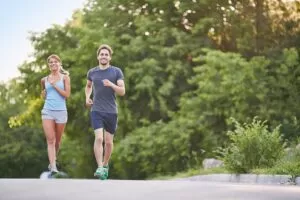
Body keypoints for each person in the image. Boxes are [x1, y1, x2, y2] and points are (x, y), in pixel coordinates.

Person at [85, 44, 125, 180]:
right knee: (99, 138)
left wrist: (112, 84)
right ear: (98, 56)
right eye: (101, 54)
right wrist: (87, 97)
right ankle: (100, 167)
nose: (103, 56)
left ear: (110, 57)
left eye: (106, 54)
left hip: (111, 112)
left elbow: (122, 91)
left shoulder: (116, 72)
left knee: (108, 142)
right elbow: (88, 86)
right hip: (96, 110)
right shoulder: (92, 72)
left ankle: (106, 164)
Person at [41, 54, 71, 174]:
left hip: (61, 112)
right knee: (51, 140)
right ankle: (53, 166)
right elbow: (44, 94)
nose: (53, 64)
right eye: (51, 62)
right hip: (47, 110)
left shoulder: (65, 78)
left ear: (60, 64)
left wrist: (54, 86)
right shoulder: (44, 80)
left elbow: (67, 95)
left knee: (57, 141)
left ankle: (53, 159)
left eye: (55, 62)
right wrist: (43, 95)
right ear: (49, 66)